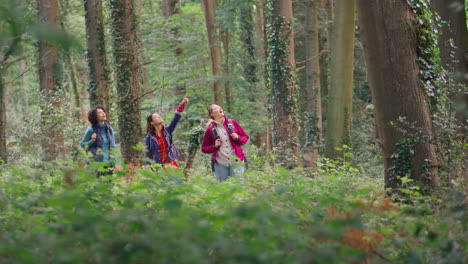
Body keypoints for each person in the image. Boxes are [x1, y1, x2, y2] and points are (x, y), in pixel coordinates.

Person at [201, 104, 249, 182]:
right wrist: (215, 146)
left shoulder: (233, 123)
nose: (220, 108)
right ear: (212, 114)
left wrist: (237, 137)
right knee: (223, 189)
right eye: (216, 108)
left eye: (220, 107)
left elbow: (245, 137)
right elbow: (204, 148)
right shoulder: (210, 130)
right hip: (221, 164)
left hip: (237, 161)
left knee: (238, 187)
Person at [144, 96, 189, 168]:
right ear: (152, 123)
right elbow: (147, 155)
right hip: (158, 166)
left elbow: (175, 119)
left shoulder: (167, 131)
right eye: (156, 117)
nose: (159, 117)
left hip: (170, 164)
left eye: (159, 116)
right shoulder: (149, 138)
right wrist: (148, 168)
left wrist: (182, 105)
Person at [81, 106, 119, 176]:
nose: (103, 113)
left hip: (108, 164)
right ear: (95, 117)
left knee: (109, 185)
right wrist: (92, 141)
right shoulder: (91, 130)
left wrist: (115, 163)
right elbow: (82, 144)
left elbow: (113, 146)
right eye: (100, 113)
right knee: (99, 186)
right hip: (96, 164)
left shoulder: (109, 129)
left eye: (103, 112)